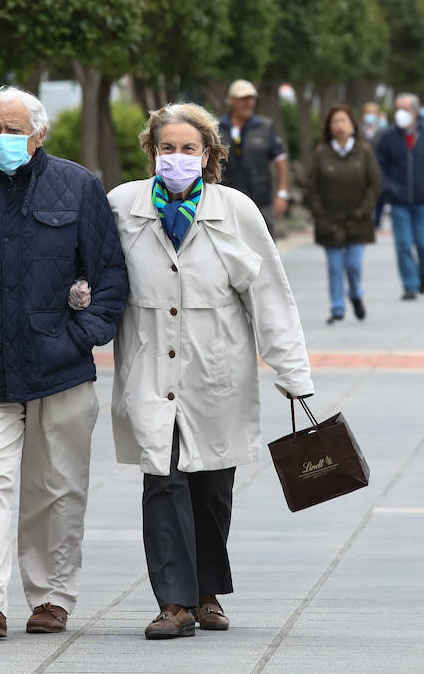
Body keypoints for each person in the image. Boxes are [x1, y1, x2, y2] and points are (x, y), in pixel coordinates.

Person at [0, 86, 129, 640]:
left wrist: (79, 336)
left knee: (56, 487)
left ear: (39, 134)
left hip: (60, 366)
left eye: (14, 130)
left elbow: (109, 278)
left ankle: (51, 597)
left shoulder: (79, 186)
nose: (3, 139)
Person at [107, 104, 315, 640]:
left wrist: (293, 372)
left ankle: (206, 592)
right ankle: (173, 603)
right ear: (151, 152)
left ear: (209, 155)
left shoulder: (236, 211)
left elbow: (270, 296)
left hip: (216, 372)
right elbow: (95, 276)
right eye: (166, 148)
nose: (176, 158)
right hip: (151, 369)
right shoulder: (122, 206)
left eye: (188, 148)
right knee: (163, 479)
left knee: (210, 487)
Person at [304, 105, 381, 323]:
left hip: (358, 219)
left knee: (353, 266)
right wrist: (319, 213)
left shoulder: (364, 152)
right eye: (335, 122)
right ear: (329, 127)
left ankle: (356, 294)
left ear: (352, 126)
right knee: (335, 266)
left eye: (344, 121)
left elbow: (375, 185)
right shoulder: (322, 153)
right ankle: (337, 308)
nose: (340, 126)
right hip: (330, 220)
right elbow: (311, 186)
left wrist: (364, 210)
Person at [376, 93, 424, 300]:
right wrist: (389, 188)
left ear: (415, 111)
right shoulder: (388, 136)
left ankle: (422, 272)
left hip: (422, 200)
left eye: (405, 109)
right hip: (398, 201)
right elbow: (380, 165)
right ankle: (410, 285)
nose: (400, 113)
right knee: (403, 245)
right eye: (397, 108)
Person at [217, 79, 289, 235]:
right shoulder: (217, 128)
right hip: (226, 203)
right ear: (231, 100)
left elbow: (281, 161)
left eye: (251, 98)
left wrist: (282, 194)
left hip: (261, 202)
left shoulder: (265, 127)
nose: (248, 103)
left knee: (264, 248)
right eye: (243, 99)